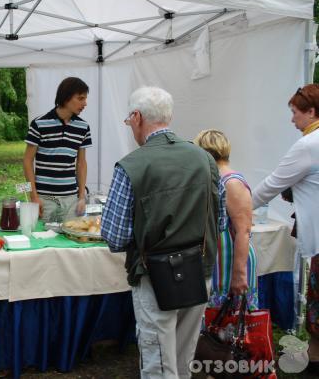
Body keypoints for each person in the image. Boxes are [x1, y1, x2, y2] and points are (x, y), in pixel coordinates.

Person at [101, 86, 219, 378]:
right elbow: (222, 220)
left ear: (137, 117)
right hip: (199, 270)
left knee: (158, 363)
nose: (130, 128)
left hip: (156, 275)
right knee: (182, 358)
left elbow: (114, 236)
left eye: (129, 121)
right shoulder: (205, 158)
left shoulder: (132, 165)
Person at [251, 84, 319, 369]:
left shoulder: (308, 144)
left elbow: (270, 186)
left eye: (295, 112)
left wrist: (236, 208)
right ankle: (314, 356)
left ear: (311, 111)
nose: (292, 119)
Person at [194, 129, 258, 309]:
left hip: (231, 261)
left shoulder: (231, 182)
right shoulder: (213, 178)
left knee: (232, 321)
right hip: (219, 260)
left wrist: (239, 273)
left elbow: (243, 231)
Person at [23, 77, 92, 222]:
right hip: (44, 200)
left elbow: (81, 163)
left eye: (85, 99)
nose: (85, 103)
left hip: (71, 201)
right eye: (80, 98)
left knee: (71, 241)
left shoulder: (83, 127)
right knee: (44, 241)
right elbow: (27, 161)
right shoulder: (39, 124)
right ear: (66, 97)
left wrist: (81, 197)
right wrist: (33, 196)